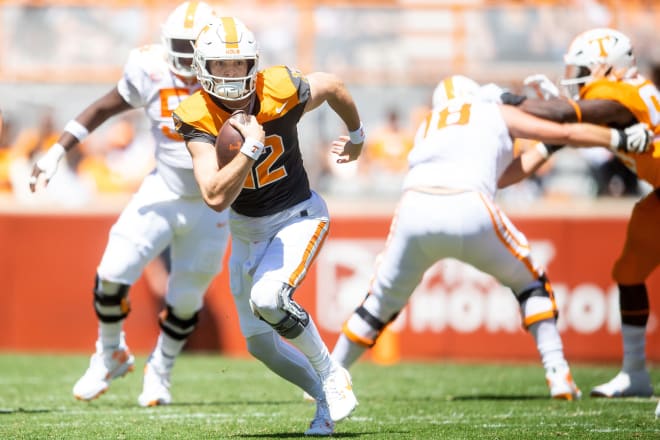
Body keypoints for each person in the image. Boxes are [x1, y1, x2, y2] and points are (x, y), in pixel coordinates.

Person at [329, 74, 653, 401]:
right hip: (469, 204)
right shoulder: (490, 110)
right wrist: (618, 139)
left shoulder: (430, 122)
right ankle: (558, 375)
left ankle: (330, 375)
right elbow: (565, 131)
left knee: (380, 300)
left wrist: (546, 146)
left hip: (414, 209)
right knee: (530, 283)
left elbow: (502, 174)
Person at [29, 1, 229, 407]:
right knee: (111, 272)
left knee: (186, 297)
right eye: (181, 47)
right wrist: (56, 152)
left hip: (212, 203)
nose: (187, 58)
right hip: (163, 188)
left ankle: (161, 371)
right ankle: (109, 353)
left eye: (195, 48)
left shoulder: (232, 74)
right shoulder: (150, 68)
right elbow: (105, 105)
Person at [172, 16, 362, 436]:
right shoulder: (196, 114)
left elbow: (331, 84)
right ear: (202, 66)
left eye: (239, 64)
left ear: (252, 64)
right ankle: (325, 402)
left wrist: (358, 135)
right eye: (221, 65)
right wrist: (249, 152)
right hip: (246, 230)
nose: (231, 74)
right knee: (260, 345)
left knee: (269, 298)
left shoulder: (277, 89)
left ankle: (333, 373)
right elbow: (214, 194)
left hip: (298, 215)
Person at [507, 28, 659, 406]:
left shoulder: (621, 94)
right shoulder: (609, 102)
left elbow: (563, 115)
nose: (574, 75)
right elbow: (556, 136)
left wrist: (505, 101)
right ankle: (636, 373)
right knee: (629, 272)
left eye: (581, 68)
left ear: (606, 68)